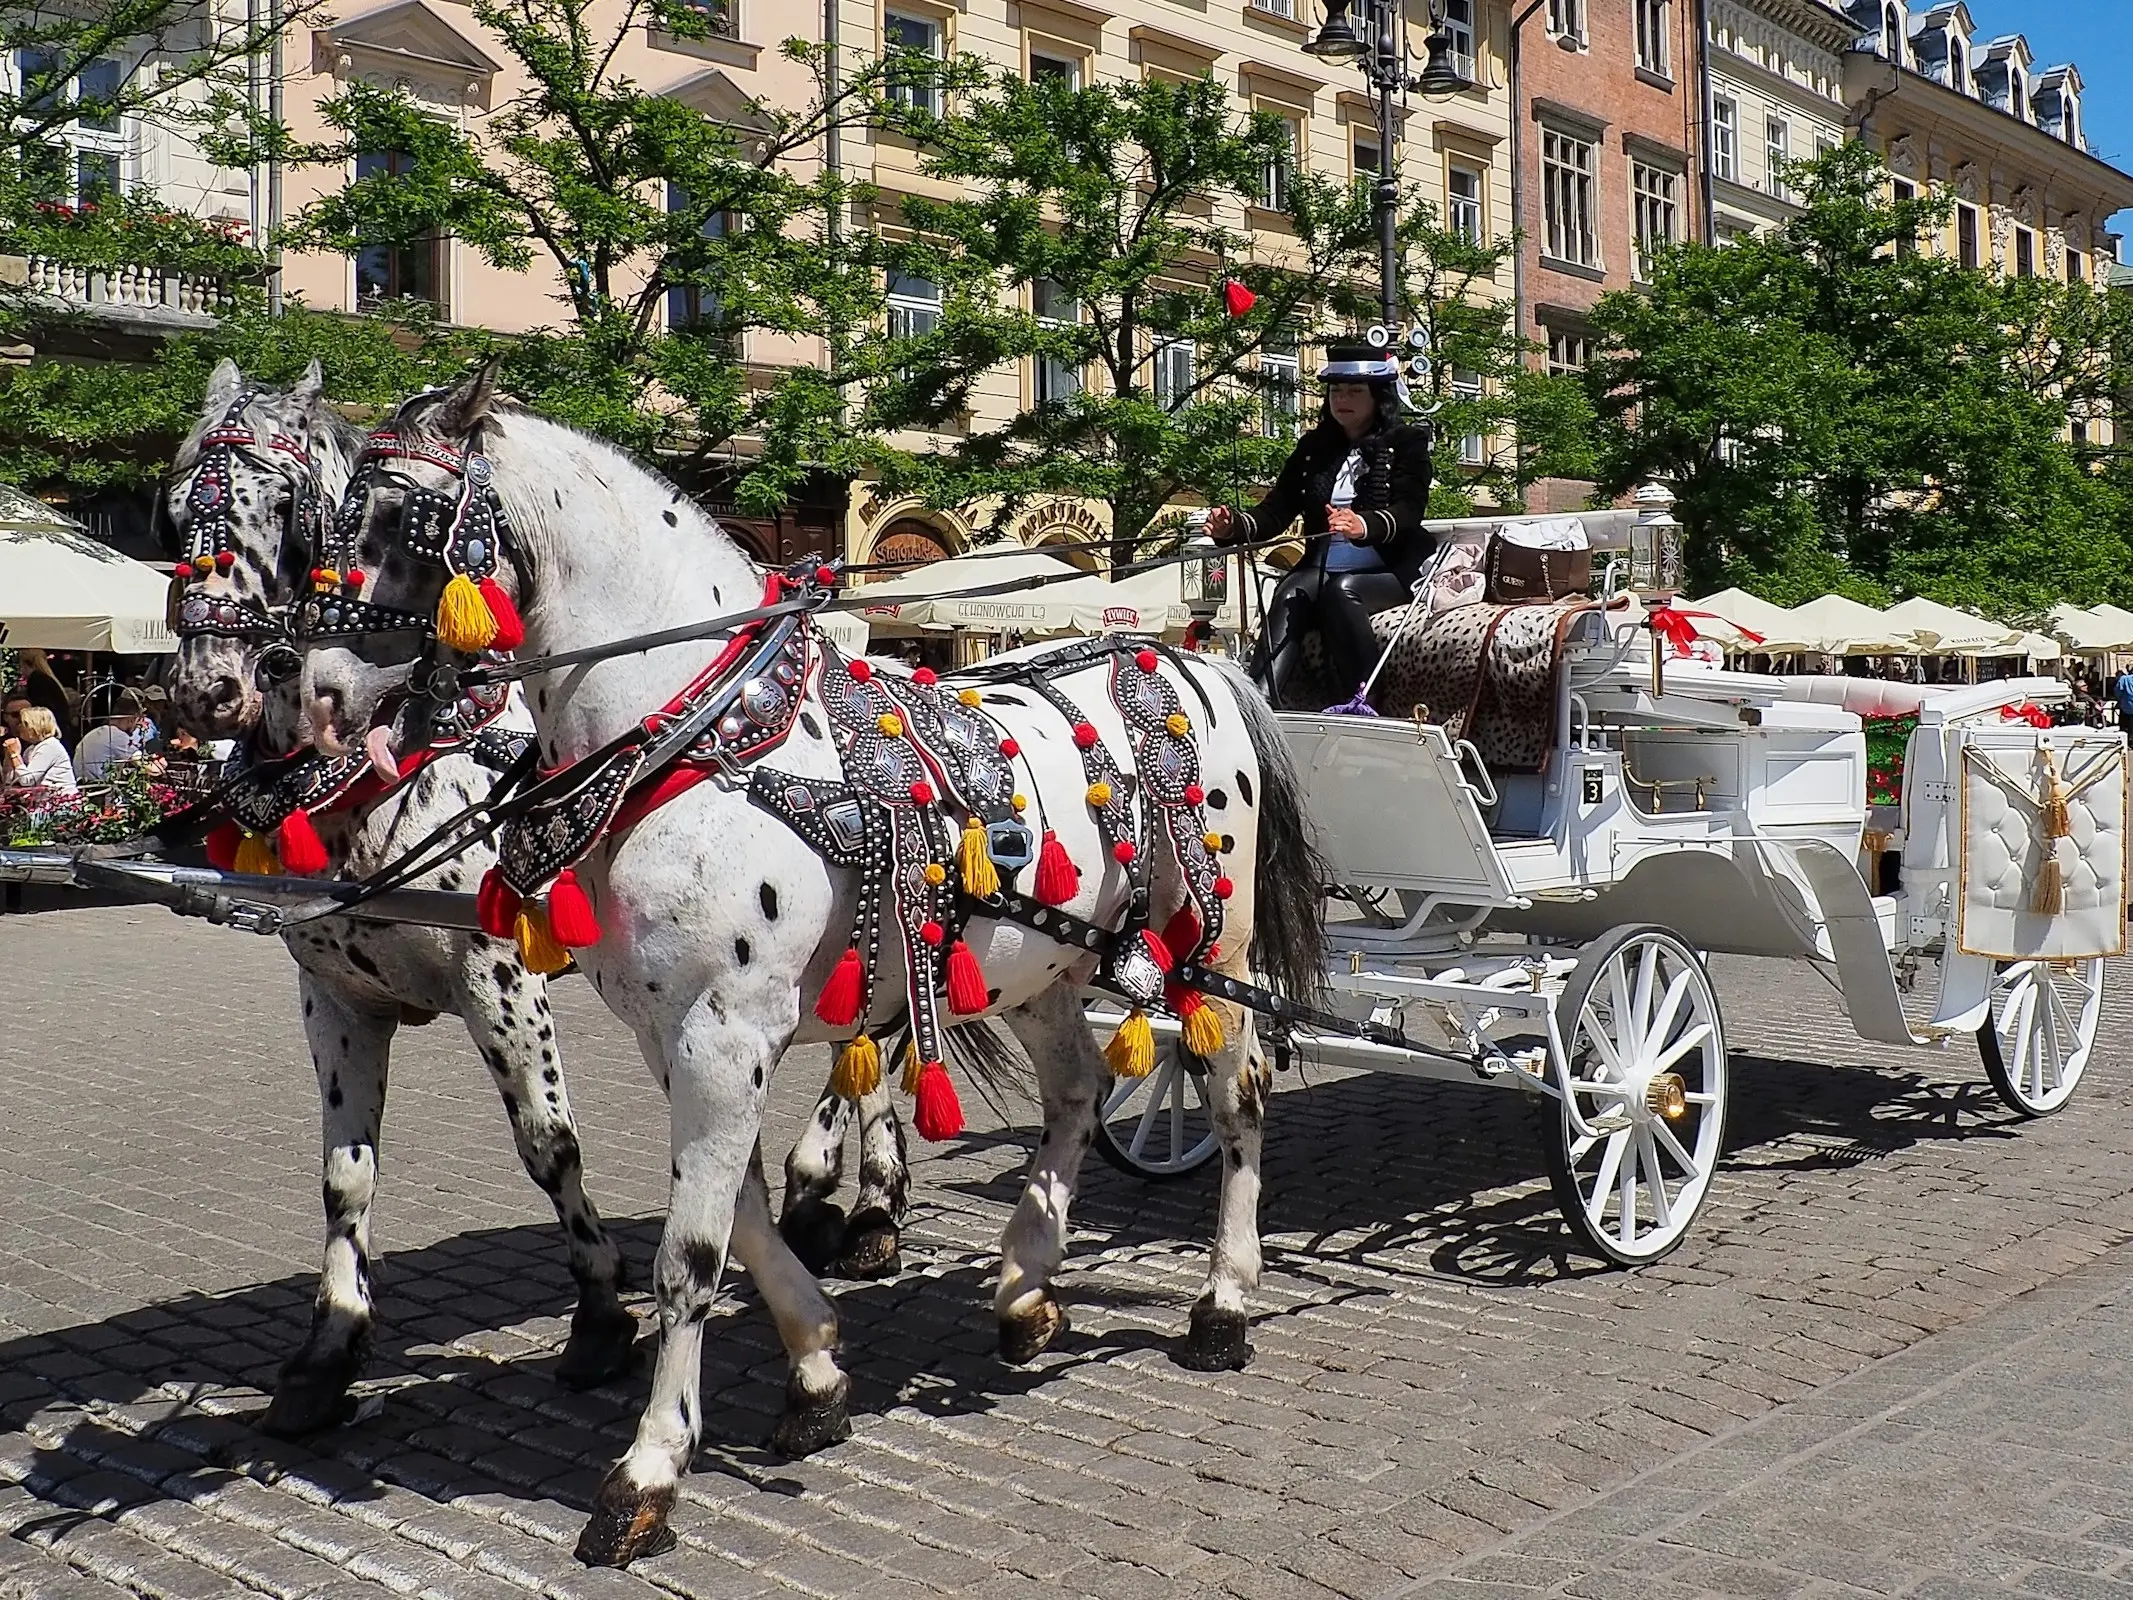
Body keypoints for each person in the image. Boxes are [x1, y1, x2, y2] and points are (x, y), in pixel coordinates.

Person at [1206, 341, 1435, 706]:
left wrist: (1365, 524)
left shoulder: (1408, 442)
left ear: (1379, 396)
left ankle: (1366, 699)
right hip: (1321, 567)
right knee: (1291, 589)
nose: (1342, 398)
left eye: (1354, 390)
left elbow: (1410, 510)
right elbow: (1275, 512)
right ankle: (1259, 702)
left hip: (1390, 568)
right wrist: (1232, 526)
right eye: (1336, 390)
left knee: (1341, 591)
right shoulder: (1313, 448)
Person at [75, 688, 153, 781]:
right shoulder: (118, 737)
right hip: (99, 790)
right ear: (131, 719)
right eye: (138, 721)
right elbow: (150, 768)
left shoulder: (95, 733)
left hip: (83, 786)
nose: (138, 725)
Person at [2, 705, 80, 794]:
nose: (19, 727)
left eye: (23, 724)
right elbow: (10, 781)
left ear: (35, 726)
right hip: (42, 799)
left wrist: (15, 755)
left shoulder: (50, 746)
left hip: (61, 800)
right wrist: (9, 757)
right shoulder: (30, 749)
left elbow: (27, 780)